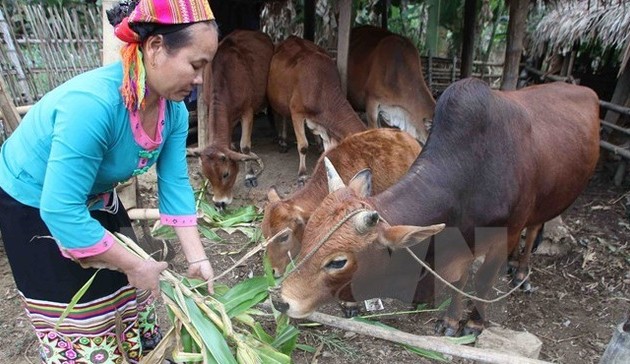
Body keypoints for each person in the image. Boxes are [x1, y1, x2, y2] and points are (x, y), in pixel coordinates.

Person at [0, 0, 218, 362]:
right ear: (155, 48)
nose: (200, 80)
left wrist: (198, 258)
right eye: (196, 66)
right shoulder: (93, 106)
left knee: (127, 293)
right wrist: (135, 264)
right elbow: (61, 208)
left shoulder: (173, 110)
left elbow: (176, 182)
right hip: (35, 203)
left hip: (96, 195)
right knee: (82, 308)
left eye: (205, 68)